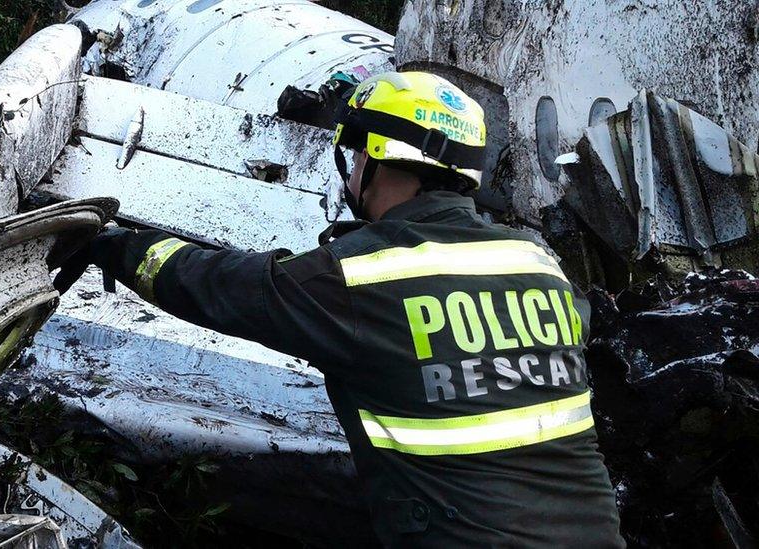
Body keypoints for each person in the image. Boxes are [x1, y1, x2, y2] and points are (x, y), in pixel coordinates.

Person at [54, 71, 624, 547]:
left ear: (379, 155)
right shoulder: (539, 264)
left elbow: (222, 287)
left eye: (355, 155)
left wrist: (113, 245)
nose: (350, 172)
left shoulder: (364, 276)